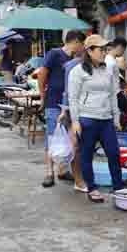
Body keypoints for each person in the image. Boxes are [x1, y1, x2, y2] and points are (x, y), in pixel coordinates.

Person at [68, 35, 124, 203]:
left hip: (106, 119)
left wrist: (117, 118)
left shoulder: (108, 69)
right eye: (100, 49)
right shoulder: (77, 71)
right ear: (90, 51)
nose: (103, 53)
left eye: (105, 49)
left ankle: (118, 187)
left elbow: (113, 94)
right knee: (86, 154)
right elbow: (73, 98)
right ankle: (92, 188)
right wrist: (75, 121)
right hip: (87, 119)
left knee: (114, 153)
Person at [37, 30, 86, 188]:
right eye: (82, 44)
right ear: (76, 41)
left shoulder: (77, 59)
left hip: (71, 105)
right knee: (52, 137)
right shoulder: (55, 54)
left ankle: (62, 170)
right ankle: (49, 173)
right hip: (54, 102)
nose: (83, 48)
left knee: (70, 140)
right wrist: (42, 95)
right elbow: (42, 74)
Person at [58, 50, 87, 193]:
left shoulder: (99, 65)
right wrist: (64, 111)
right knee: (76, 146)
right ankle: (78, 180)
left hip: (88, 111)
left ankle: (81, 178)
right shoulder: (74, 65)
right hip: (74, 111)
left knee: (82, 146)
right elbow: (67, 91)